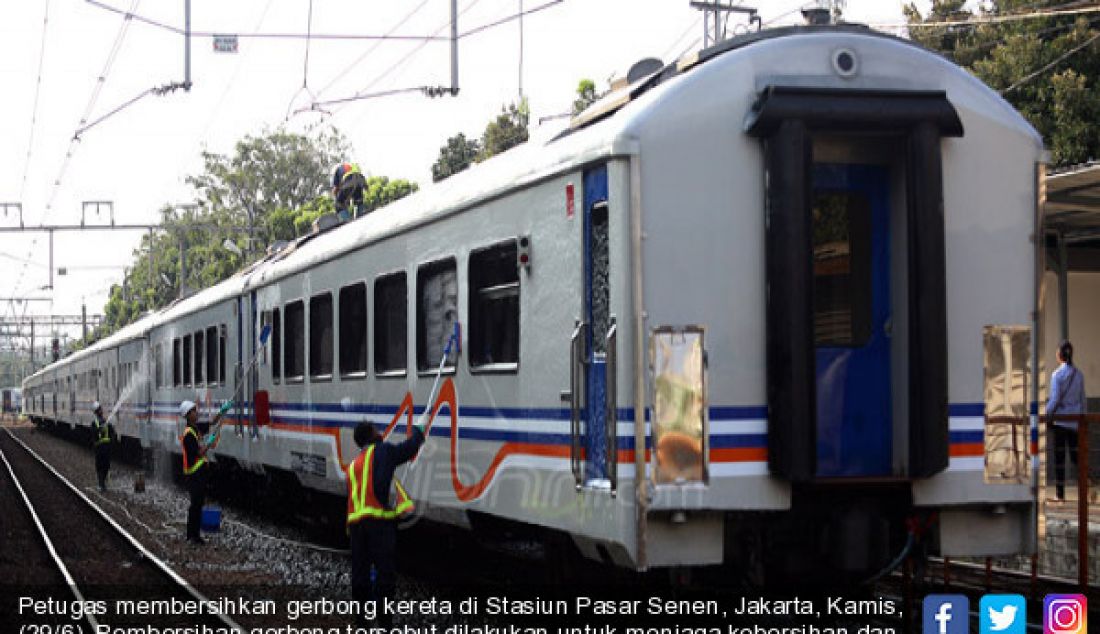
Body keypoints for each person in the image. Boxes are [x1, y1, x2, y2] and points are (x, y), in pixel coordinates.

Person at [346, 420, 424, 627]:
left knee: (360, 574)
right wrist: (419, 430)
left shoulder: (355, 464)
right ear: (371, 435)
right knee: (384, 575)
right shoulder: (382, 452)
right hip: (378, 525)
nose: (379, 432)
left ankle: (361, 622)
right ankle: (385, 623)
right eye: (375, 429)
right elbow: (408, 449)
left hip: (356, 526)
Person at [179, 399, 232, 544]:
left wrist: (222, 411)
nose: (196, 413)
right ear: (188, 415)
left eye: (195, 410)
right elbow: (200, 452)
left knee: (198, 504)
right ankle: (192, 536)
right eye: (194, 411)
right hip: (193, 474)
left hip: (198, 473)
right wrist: (209, 443)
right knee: (195, 505)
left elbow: (212, 423)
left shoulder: (195, 428)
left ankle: (195, 535)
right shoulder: (188, 434)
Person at [1047, 339, 1087, 502]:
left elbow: (1055, 399)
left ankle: (1060, 494)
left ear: (1059, 355)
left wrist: (1047, 413)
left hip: (1060, 423)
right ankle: (1084, 490)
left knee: (1059, 459)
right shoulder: (1079, 375)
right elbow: (1082, 399)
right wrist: (1083, 420)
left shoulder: (1057, 375)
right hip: (1076, 422)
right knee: (1077, 458)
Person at [91, 402, 114, 492]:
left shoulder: (106, 421)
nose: (101, 411)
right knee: (100, 466)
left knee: (106, 466)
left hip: (107, 448)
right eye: (99, 410)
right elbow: (93, 436)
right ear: (96, 412)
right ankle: (101, 484)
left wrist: (111, 442)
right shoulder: (94, 423)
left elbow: (112, 432)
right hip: (99, 448)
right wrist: (100, 430)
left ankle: (103, 483)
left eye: (101, 409)